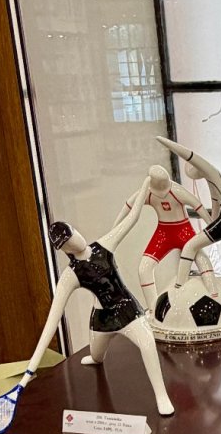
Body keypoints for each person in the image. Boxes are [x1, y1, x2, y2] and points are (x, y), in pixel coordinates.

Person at [25, 178, 173, 416]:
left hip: (127, 310)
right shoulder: (70, 275)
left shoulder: (103, 245)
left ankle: (161, 395)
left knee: (147, 344)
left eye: (72, 233)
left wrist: (146, 183)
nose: (74, 240)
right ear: (64, 250)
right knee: (95, 355)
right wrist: (30, 370)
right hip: (102, 320)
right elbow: (52, 321)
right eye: (67, 242)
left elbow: (132, 218)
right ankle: (96, 358)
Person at [113, 164, 214, 310]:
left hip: (184, 231)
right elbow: (129, 206)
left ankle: (214, 294)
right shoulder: (147, 192)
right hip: (163, 234)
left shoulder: (176, 191)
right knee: (144, 268)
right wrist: (115, 228)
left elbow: (197, 205)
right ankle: (153, 310)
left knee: (201, 259)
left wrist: (212, 226)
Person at [155, 137, 221, 296]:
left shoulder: (210, 171)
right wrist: (211, 225)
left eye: (191, 170)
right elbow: (216, 206)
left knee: (190, 246)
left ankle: (179, 287)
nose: (192, 174)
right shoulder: (214, 182)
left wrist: (164, 141)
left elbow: (189, 155)